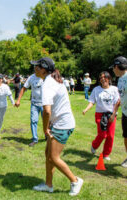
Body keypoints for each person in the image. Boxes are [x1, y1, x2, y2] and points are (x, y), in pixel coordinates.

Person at [32, 57, 83, 196]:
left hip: (62, 125)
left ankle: (75, 181)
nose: (34, 68)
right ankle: (48, 185)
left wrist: (45, 129)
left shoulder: (47, 84)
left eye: (36, 66)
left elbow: (47, 111)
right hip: (59, 123)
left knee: (53, 157)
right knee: (48, 155)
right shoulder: (50, 80)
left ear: (43, 69)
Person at [82, 71, 120, 161]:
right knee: (102, 135)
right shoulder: (96, 90)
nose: (103, 79)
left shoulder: (114, 89)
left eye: (105, 77)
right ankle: (94, 145)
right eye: (101, 78)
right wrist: (86, 109)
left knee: (110, 136)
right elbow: (92, 101)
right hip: (100, 115)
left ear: (109, 78)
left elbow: (117, 102)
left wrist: (113, 114)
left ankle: (106, 154)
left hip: (111, 114)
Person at [15, 66, 44, 147]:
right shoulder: (31, 77)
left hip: (44, 104)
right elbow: (24, 88)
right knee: (33, 120)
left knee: (47, 121)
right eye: (35, 68)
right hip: (34, 103)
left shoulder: (45, 77)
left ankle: (47, 136)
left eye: (37, 68)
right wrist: (18, 100)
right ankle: (35, 139)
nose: (36, 70)